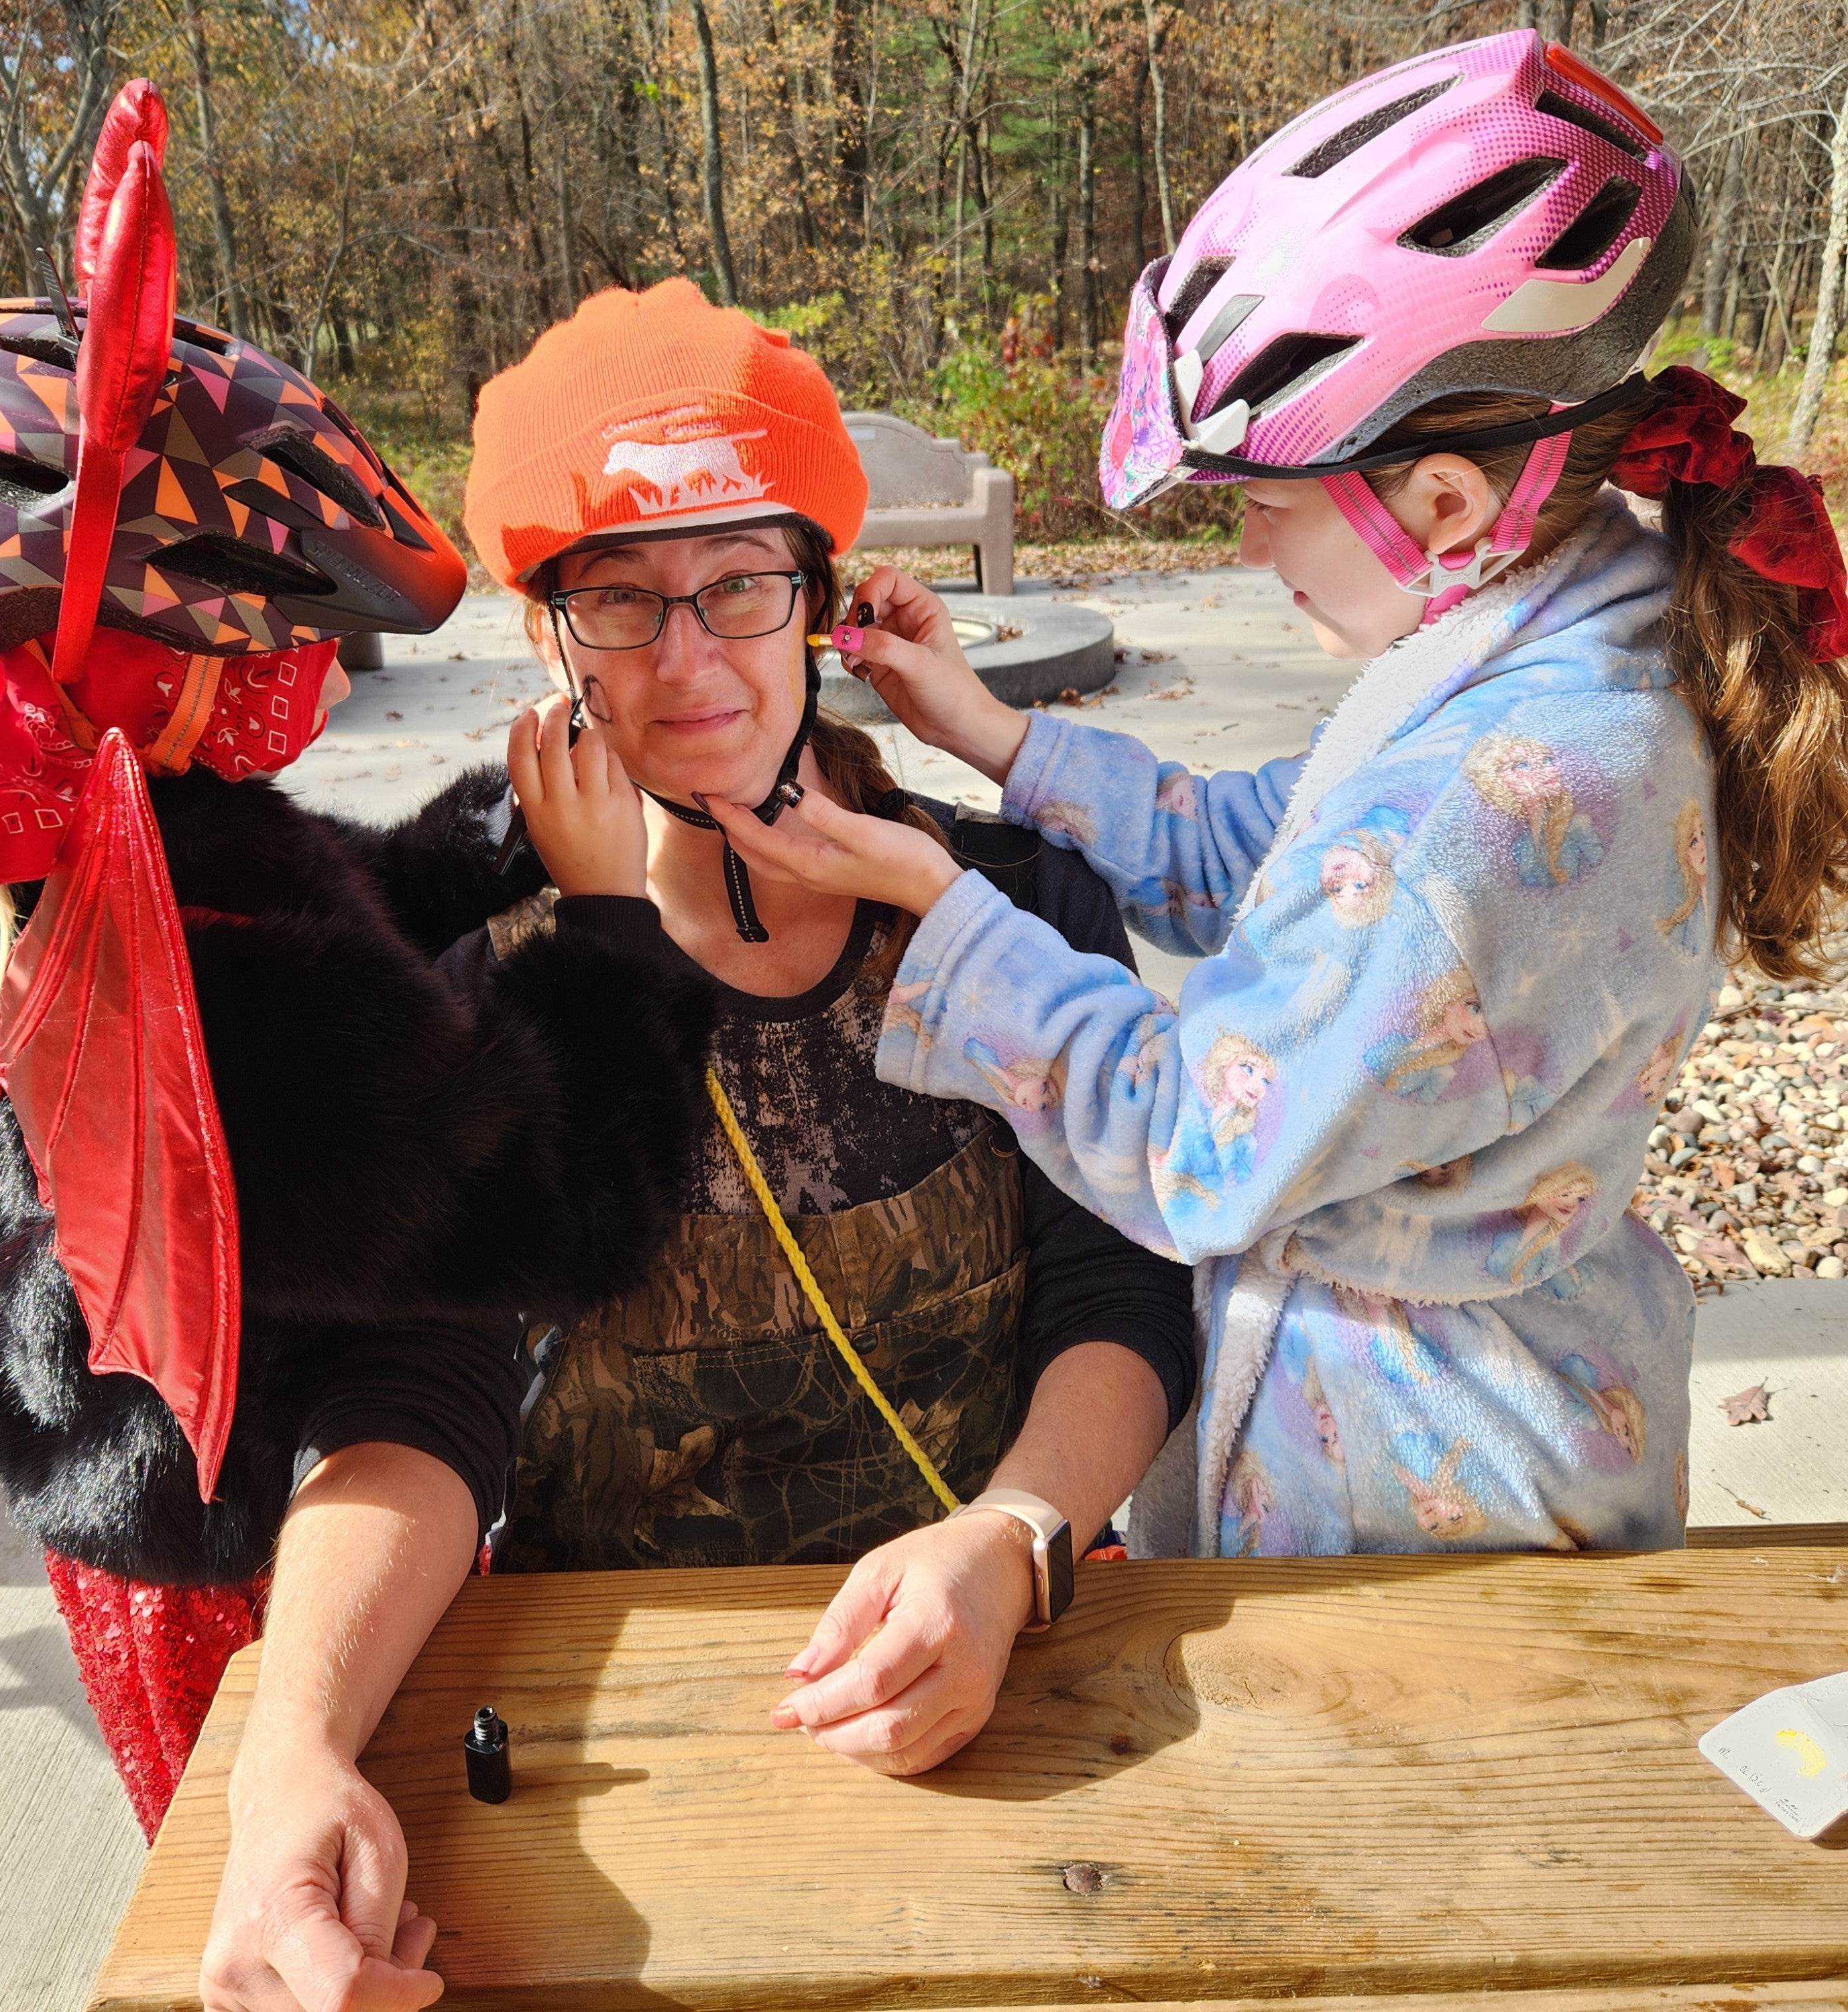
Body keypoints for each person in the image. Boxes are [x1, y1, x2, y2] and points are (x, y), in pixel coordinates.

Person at [710, 32, 1848, 1565]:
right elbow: (1287, 856)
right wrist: (990, 732)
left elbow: (1193, 1142)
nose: (1248, 553)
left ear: (1444, 501)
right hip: (1510, 1398)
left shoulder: (1492, 809)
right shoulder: (1575, 636)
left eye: (1264, 508)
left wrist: (941, 916)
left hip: (1417, 1488)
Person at [197, 279, 1191, 2011]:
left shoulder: (1008, 905)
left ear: (819, 598)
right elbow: (406, 1389)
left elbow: (1126, 1272)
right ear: (547, 636)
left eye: (741, 584)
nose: (689, 658)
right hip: (617, 1747)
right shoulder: (459, 959)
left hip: (1003, 1680)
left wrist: (1021, 1534)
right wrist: (292, 1751)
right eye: (622, 601)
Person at [0, 83, 717, 1838]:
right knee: (327, 1860)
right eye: (275, 637)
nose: (307, 678)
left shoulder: (96, 841)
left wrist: (497, 837)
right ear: (120, 660)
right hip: (255, 1539)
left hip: (156, 1470)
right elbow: (551, 1214)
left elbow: (337, 915)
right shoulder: (188, 968)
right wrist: (613, 929)